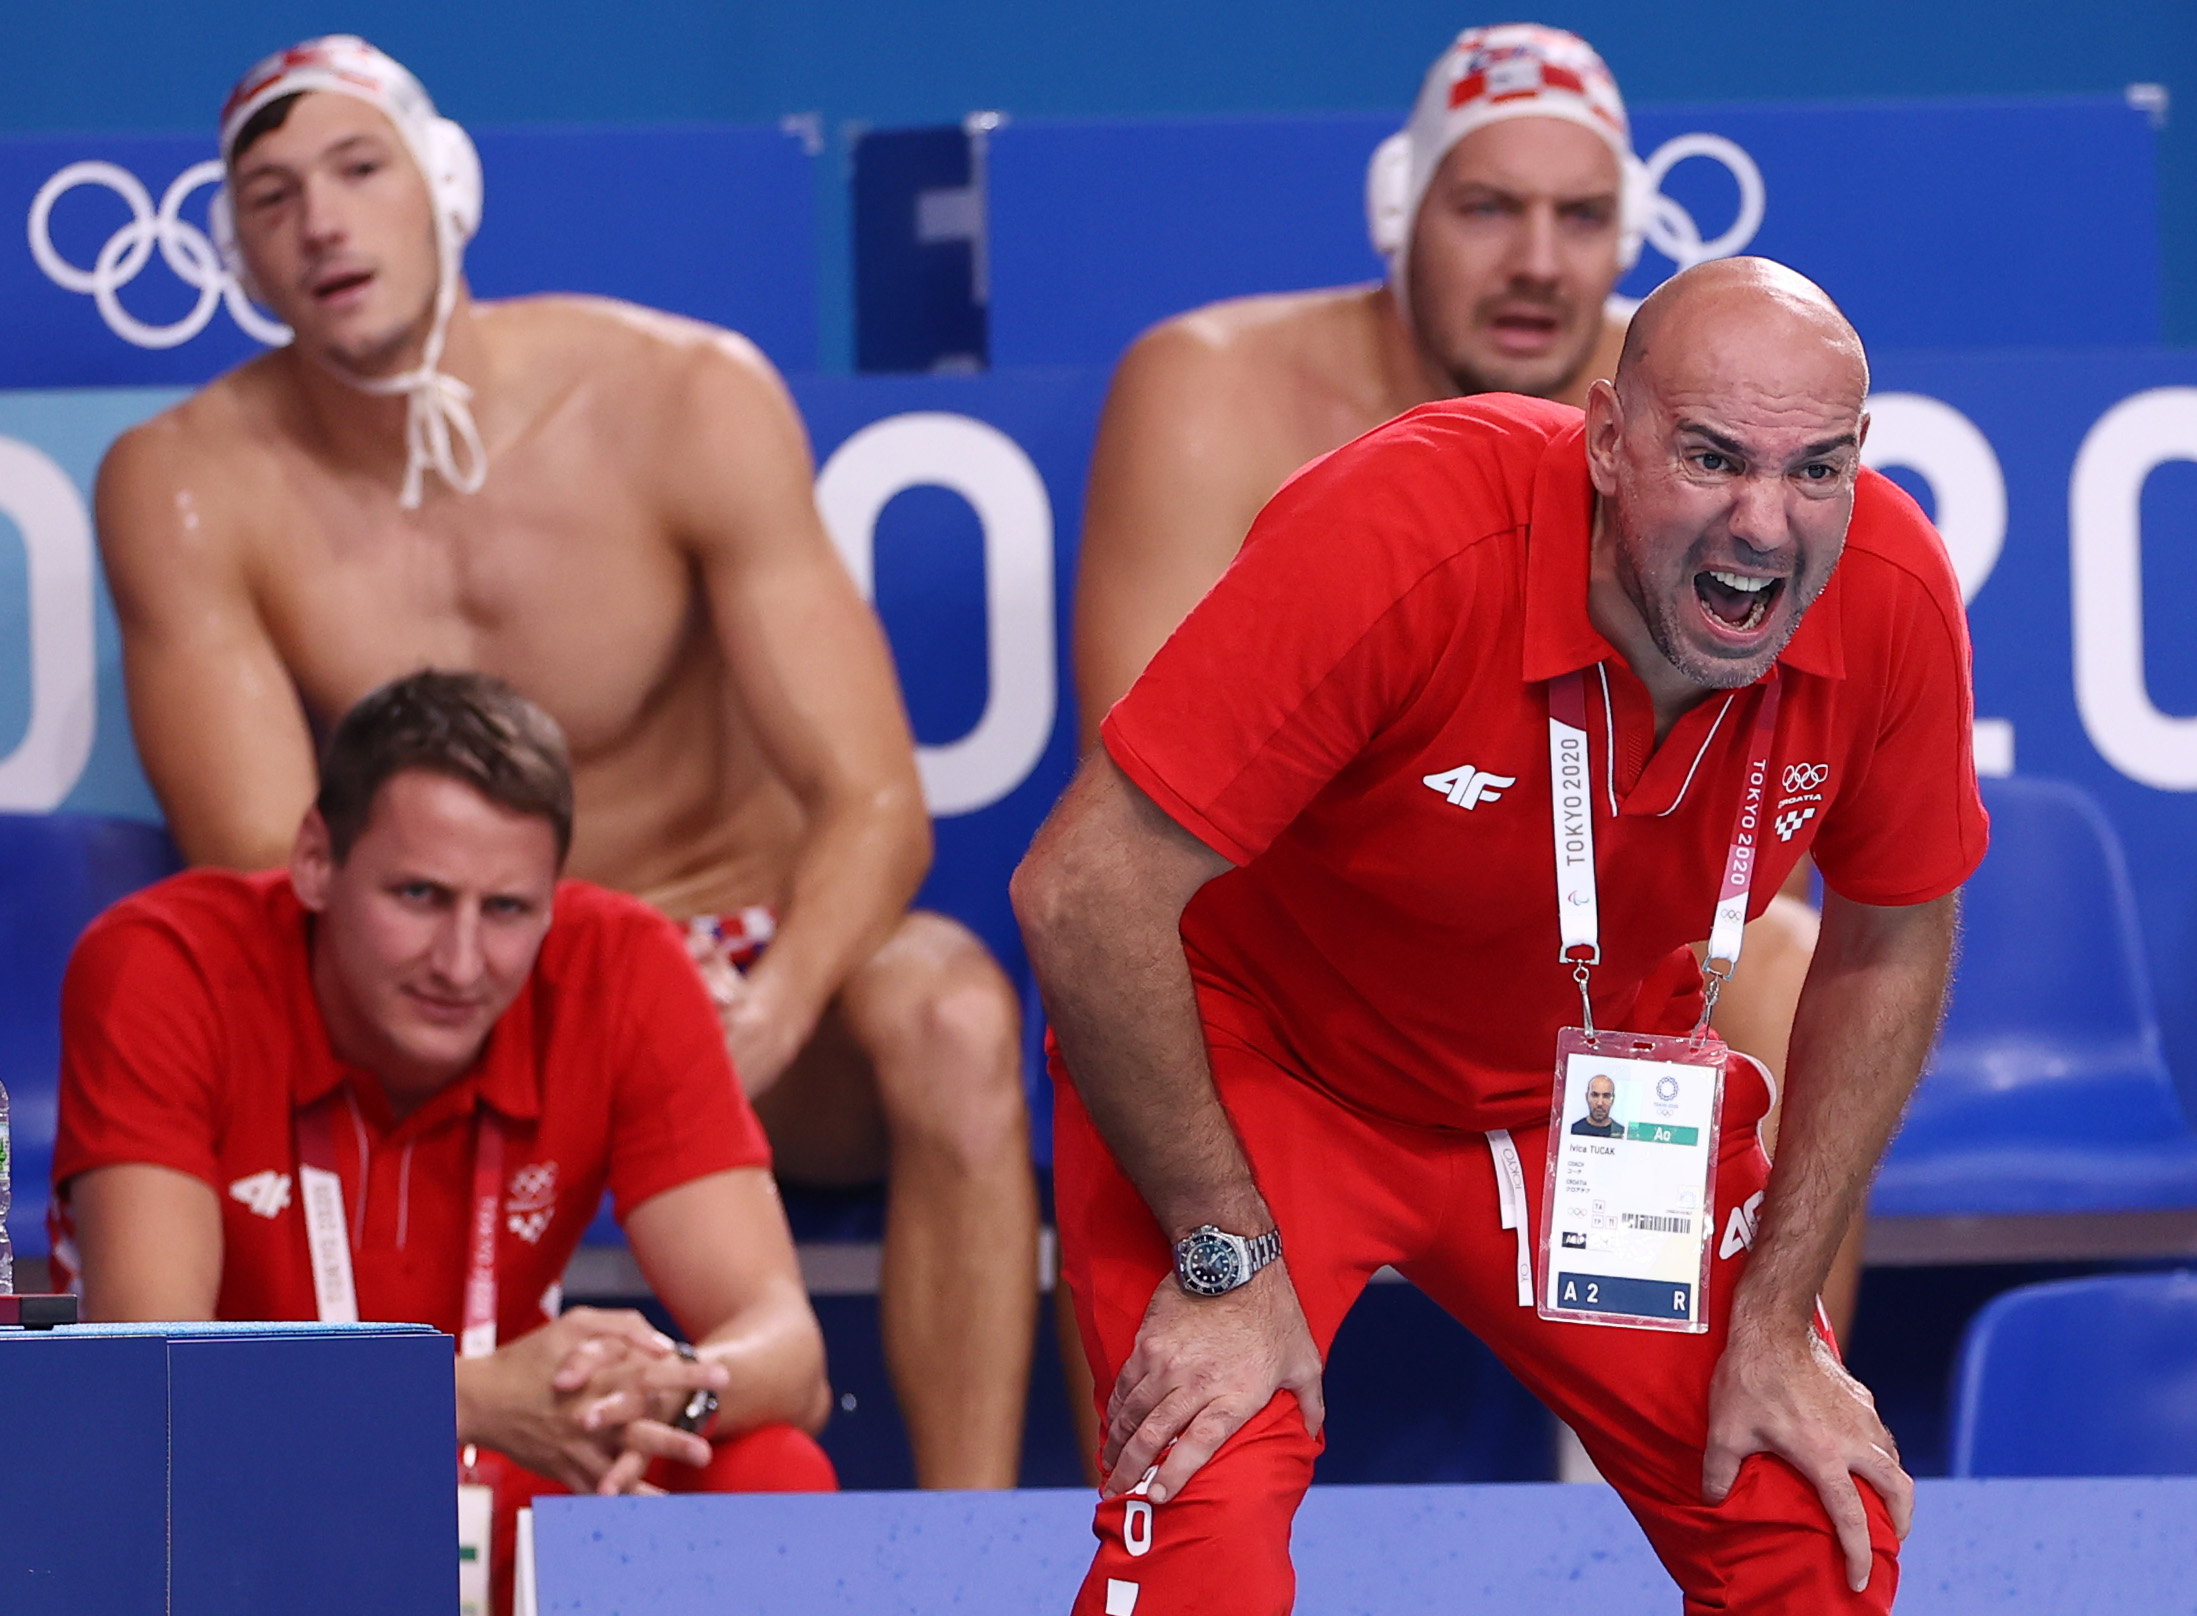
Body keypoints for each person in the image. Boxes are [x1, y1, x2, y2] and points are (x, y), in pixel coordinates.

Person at [92, 36, 1036, 1487]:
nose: (324, 224)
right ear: (233, 254)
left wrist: (765, 1017)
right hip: (461, 1003)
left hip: (731, 967)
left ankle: (966, 1549)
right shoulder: (191, 480)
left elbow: (873, 799)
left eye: (359, 171)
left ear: (445, 186)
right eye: (271, 197)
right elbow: (270, 867)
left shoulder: (678, 395)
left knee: (955, 1018)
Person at [1014, 258, 1986, 1612]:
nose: (1764, 524)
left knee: (1814, 1530)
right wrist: (1221, 1251)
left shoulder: (1887, 589)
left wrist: (1775, 1319)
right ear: (1605, 438)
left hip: (1579, 1103)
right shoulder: (1408, 525)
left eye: (1815, 469)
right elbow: (1085, 887)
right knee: (1200, 1562)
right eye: (1711, 458)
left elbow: (1891, 934)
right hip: (1261, 1075)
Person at [1070, 25, 1857, 1359]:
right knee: (1131, 940)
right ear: (1401, 209)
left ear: (1631, 237)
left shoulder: (1717, 418)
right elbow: (1155, 794)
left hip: (1594, 962)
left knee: (1777, 951)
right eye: (1488, 208)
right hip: (1305, 943)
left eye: (1581, 215)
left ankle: (1770, 1393)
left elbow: (1749, 811)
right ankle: (1146, 1478)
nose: (1537, 264)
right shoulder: (1213, 391)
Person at [48, 672, 836, 1611]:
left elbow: (790, 1355)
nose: (462, 965)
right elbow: (159, 1385)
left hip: (483, 1482)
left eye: (507, 910)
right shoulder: (164, 966)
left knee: (769, 1467)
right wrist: (465, 1399)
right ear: (314, 861)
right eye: (419, 895)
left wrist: (655, 1393)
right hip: (237, 1490)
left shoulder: (620, 965)